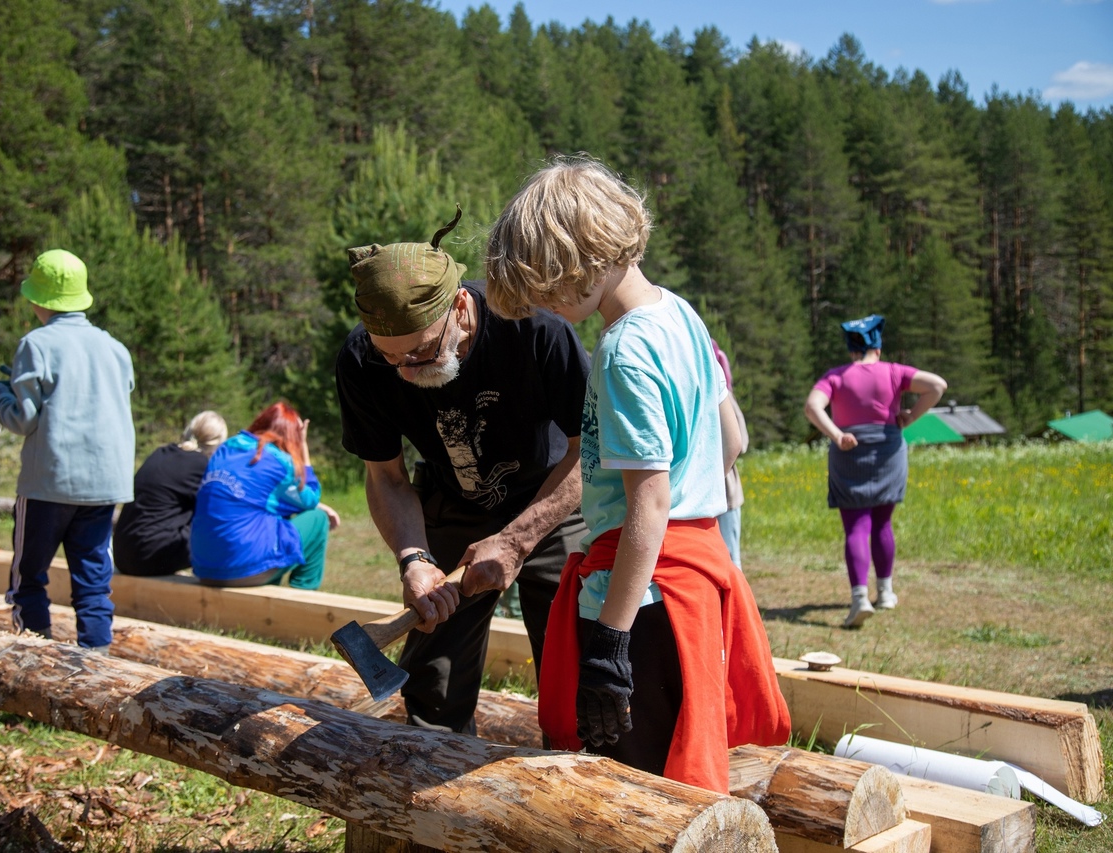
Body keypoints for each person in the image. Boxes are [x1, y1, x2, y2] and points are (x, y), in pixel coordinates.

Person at [483, 156, 789, 792]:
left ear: (573, 262)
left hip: (645, 602)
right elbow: (734, 439)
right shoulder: (679, 314)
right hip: (695, 583)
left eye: (542, 286)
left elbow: (648, 506)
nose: (541, 303)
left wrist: (610, 645)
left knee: (640, 791)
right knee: (683, 771)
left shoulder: (622, 351)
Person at [335, 208, 590, 737]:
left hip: (551, 503)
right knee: (434, 681)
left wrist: (518, 539)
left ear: (458, 305)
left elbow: (590, 453)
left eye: (422, 350)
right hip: (453, 503)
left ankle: (577, 790)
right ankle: (436, 803)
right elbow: (386, 477)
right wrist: (414, 558)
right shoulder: (362, 362)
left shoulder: (535, 330)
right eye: (393, 358)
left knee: (576, 670)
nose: (407, 369)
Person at [0, 249, 135, 652]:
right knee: (93, 585)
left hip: (48, 484)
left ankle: (35, 667)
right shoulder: (114, 348)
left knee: (28, 579)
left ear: (38, 299)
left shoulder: (36, 345)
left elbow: (22, 420)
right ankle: (99, 669)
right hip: (104, 485)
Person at [803, 314, 947, 629]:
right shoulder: (895, 372)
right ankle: (886, 593)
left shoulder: (836, 376)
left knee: (856, 526)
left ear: (851, 349)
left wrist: (837, 435)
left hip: (849, 451)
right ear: (877, 349)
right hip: (888, 448)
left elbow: (813, 406)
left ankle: (859, 599)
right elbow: (937, 386)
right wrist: (910, 417)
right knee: (883, 522)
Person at [190, 402, 339, 589]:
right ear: (292, 435)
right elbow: (310, 499)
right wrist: (303, 450)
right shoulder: (278, 462)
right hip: (240, 570)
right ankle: (303, 594)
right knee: (317, 519)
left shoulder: (225, 449)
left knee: (268, 521)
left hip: (203, 568)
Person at [113, 411, 228, 577]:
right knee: (221, 525)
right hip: (146, 558)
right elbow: (218, 511)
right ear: (218, 444)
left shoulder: (160, 453)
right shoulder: (202, 466)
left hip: (122, 555)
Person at [712, 340, 749, 570]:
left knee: (730, 560)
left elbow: (740, 442)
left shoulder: (722, 392)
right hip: (713, 489)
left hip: (725, 488)